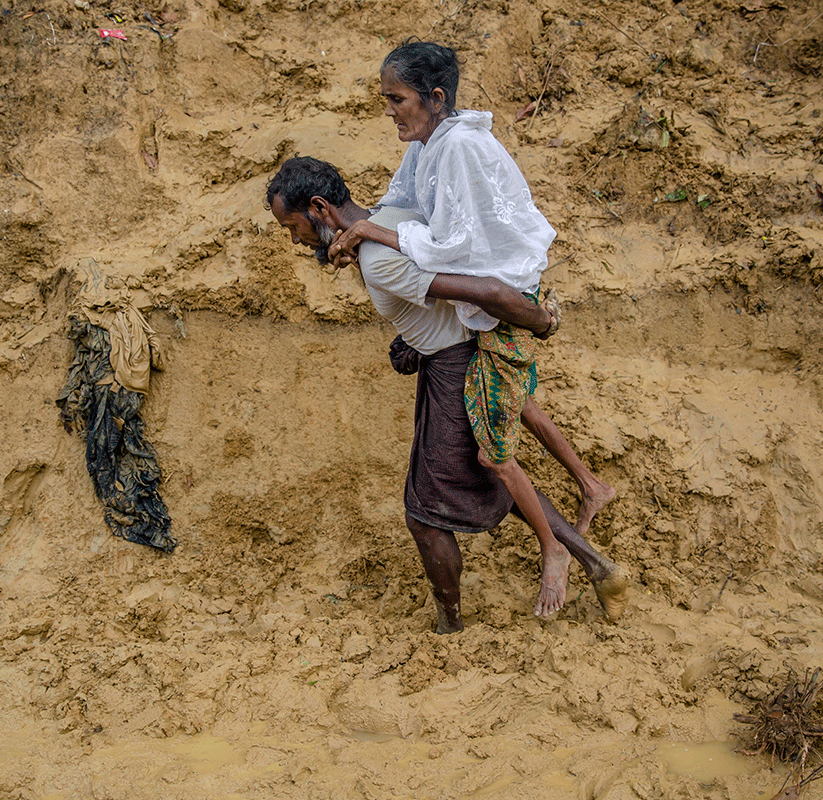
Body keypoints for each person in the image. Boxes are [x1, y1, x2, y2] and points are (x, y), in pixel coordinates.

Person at [267, 156, 629, 630]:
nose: (295, 240)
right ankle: (600, 568)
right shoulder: (391, 219)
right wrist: (413, 339)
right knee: (494, 473)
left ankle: (450, 624)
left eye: (293, 227)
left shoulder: (378, 259)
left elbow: (476, 290)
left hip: (454, 365)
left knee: (424, 512)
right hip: (451, 355)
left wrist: (538, 319)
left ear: (318, 207)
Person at [327, 40, 603, 616]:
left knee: (493, 451)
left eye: (397, 99)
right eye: (386, 100)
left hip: (504, 300)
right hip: (486, 308)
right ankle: (587, 492)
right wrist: (366, 230)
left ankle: (556, 549)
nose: (390, 111)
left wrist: (372, 235)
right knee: (508, 402)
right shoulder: (429, 146)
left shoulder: (460, 148)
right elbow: (398, 204)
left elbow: (452, 247)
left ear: (434, 97)